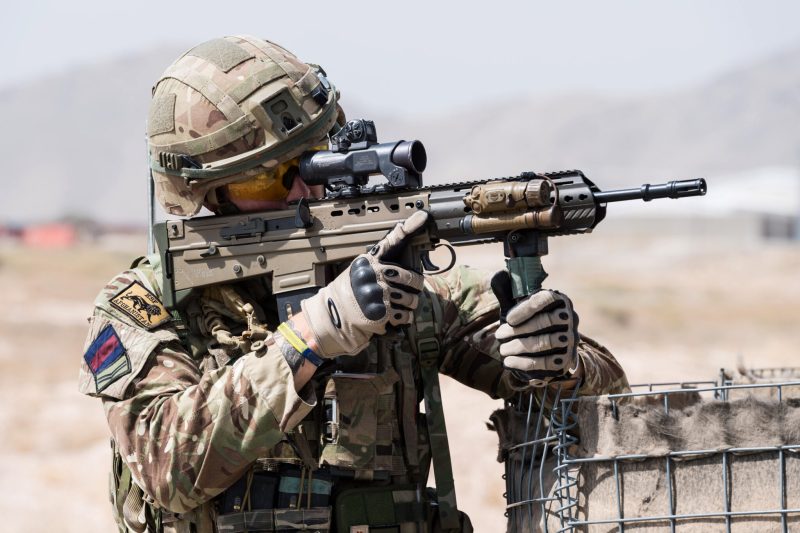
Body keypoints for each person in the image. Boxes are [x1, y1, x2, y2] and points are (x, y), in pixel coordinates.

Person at [79, 35, 629, 533]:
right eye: (271, 177)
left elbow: (609, 394)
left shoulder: (403, 283)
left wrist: (561, 361)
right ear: (201, 193)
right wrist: (314, 335)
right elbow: (167, 467)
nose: (304, 191)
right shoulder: (149, 306)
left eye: (313, 162)